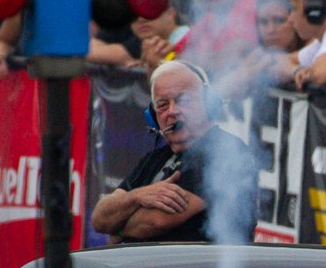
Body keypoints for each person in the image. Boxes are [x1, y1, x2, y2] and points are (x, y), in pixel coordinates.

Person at [90, 61, 256, 244]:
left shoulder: (222, 151)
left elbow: (155, 221)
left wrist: (118, 230)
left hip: (201, 262)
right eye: (162, 105)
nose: (173, 111)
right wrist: (137, 196)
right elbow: (99, 218)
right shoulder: (155, 159)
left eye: (183, 101)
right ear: (153, 117)